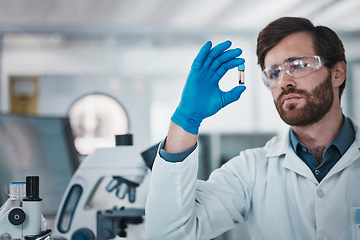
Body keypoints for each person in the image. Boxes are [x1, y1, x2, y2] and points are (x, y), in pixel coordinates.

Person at [145, 17, 360, 240]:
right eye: (274, 72)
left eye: (297, 65)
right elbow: (168, 234)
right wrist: (186, 118)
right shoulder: (251, 171)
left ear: (337, 73)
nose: (284, 81)